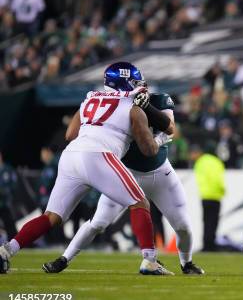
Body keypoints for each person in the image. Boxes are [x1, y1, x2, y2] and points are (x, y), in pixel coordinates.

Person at [0, 62, 171, 275]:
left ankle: (6, 251)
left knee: (51, 216)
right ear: (125, 82)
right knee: (139, 203)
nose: (140, 85)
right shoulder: (133, 106)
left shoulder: (90, 98)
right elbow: (148, 150)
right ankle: (149, 260)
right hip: (99, 155)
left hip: (71, 155)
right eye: (135, 81)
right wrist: (161, 138)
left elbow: (70, 134)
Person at [42, 90, 203, 275]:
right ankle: (63, 259)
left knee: (183, 226)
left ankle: (187, 263)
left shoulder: (158, 99)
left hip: (160, 174)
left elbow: (170, 126)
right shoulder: (117, 105)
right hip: (125, 173)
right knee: (97, 222)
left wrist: (148, 109)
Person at [193, 142, 225, 252]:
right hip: (215, 196)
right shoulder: (217, 162)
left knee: (206, 221)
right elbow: (217, 179)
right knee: (213, 222)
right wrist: (222, 190)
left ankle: (205, 245)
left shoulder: (200, 161)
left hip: (204, 196)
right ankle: (211, 245)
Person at [0, 152, 18, 240]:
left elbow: (14, 185)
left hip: (5, 203)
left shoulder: (8, 169)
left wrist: (4, 191)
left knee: (9, 224)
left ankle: (14, 242)